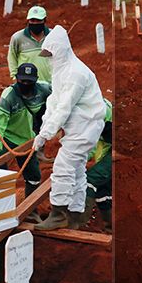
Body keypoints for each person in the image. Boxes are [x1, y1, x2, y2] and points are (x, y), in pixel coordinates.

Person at [31, 25, 106, 231]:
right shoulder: (61, 71)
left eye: (51, 54)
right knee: (77, 170)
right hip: (78, 125)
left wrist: (47, 134)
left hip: (86, 126)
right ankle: (75, 215)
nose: (49, 58)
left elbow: (65, 107)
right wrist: (43, 131)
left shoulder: (76, 73)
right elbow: (54, 102)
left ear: (61, 50)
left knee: (63, 167)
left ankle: (59, 213)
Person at [0, 63, 52, 222]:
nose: (25, 85)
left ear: (36, 80)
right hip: (5, 137)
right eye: (22, 81)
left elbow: (63, 94)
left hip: (27, 139)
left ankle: (31, 211)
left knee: (34, 175)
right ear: (16, 79)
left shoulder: (44, 89)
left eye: (29, 82)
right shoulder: (8, 95)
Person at [80, 99, 112, 233]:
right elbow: (92, 144)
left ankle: (79, 224)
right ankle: (110, 227)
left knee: (90, 181)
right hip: (106, 151)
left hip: (114, 151)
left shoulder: (99, 112)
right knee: (102, 191)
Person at [7, 6, 52, 83]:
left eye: (38, 20)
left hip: (50, 83)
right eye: (32, 20)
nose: (35, 23)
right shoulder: (18, 38)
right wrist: (14, 77)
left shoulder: (53, 36)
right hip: (27, 84)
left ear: (45, 20)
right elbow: (12, 57)